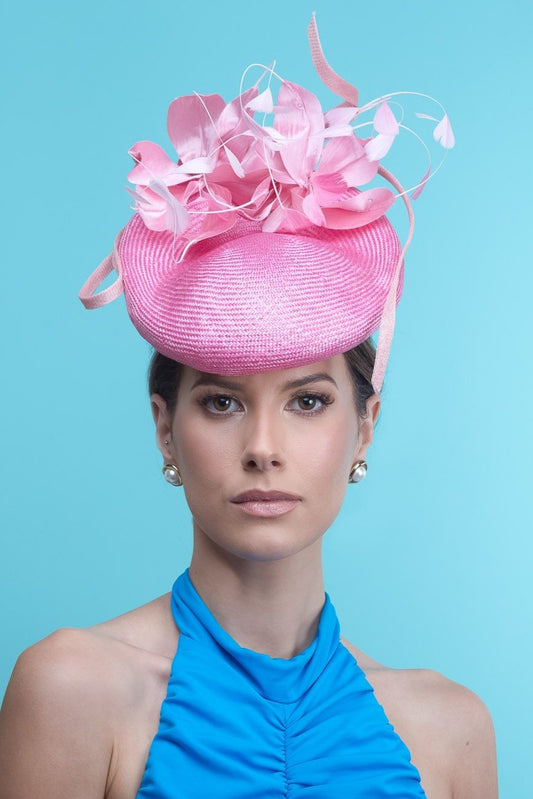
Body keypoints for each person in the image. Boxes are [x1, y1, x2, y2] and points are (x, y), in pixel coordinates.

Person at [0, 15, 497, 799]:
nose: (263, 445)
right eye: (223, 401)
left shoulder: (448, 731)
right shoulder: (73, 689)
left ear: (363, 426)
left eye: (306, 399)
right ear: (165, 424)